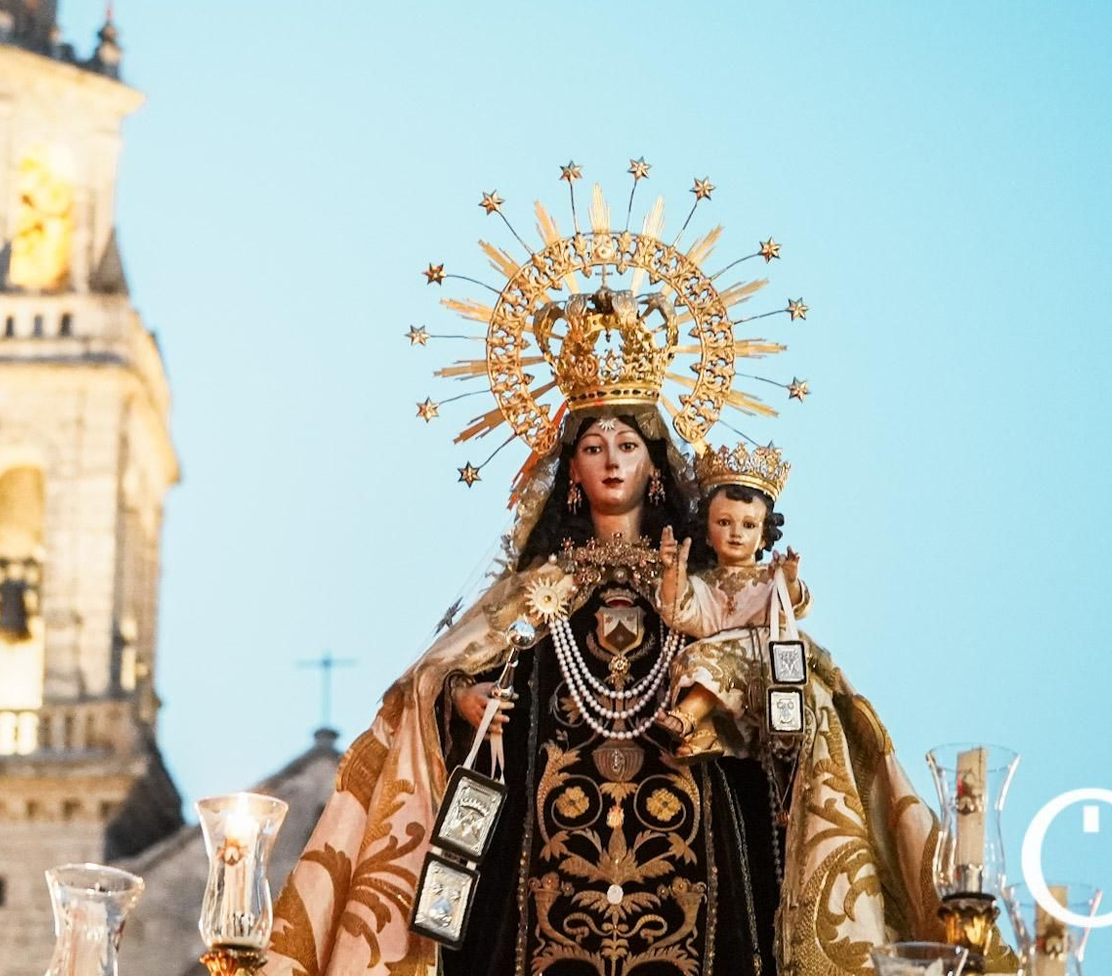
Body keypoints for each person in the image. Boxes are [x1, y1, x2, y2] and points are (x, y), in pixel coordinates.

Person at [263, 407, 938, 976]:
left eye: (627, 445)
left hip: (700, 852)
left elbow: (789, 680)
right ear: (573, 475)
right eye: (592, 448)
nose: (612, 461)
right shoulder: (529, 593)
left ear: (654, 465)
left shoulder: (704, 592)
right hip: (534, 868)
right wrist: (462, 698)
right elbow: (438, 678)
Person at [652, 448, 811, 760]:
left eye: (749, 525)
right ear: (707, 534)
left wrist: (789, 581)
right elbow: (679, 614)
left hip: (763, 662)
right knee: (692, 658)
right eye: (724, 522)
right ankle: (707, 734)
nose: (736, 533)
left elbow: (795, 607)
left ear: (765, 537)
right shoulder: (705, 583)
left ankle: (687, 717)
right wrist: (673, 571)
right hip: (721, 670)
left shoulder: (770, 577)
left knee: (709, 656)